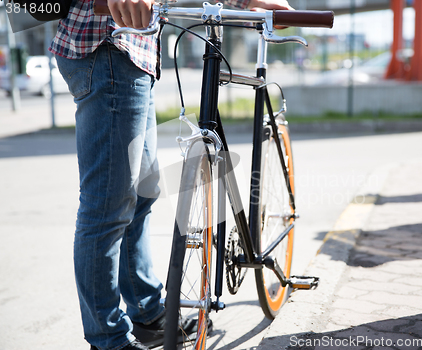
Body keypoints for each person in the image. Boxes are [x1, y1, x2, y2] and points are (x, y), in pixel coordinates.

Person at [50, 0, 293, 349]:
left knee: (139, 196)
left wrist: (244, 2)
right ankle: (108, 341)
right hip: (109, 44)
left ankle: (148, 313)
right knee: (107, 205)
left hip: (133, 50)